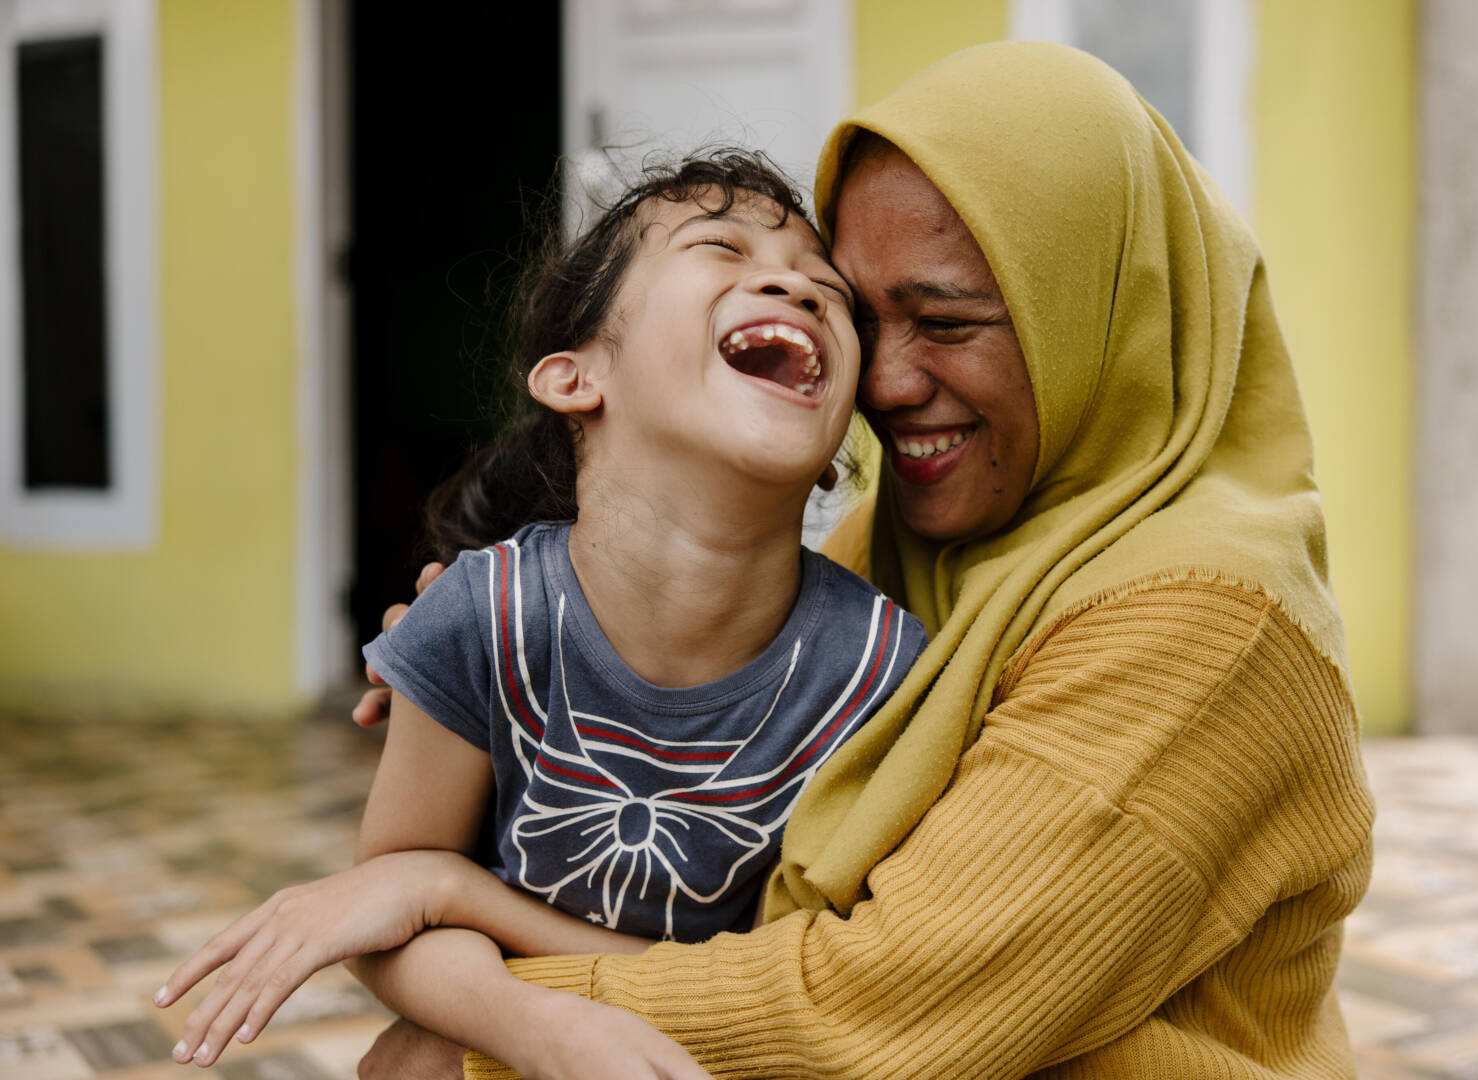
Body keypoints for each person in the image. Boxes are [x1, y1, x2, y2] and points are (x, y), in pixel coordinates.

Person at [357, 41, 1375, 1079]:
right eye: (865, 313)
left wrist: (474, 1013)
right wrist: (484, 641)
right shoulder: (944, 537)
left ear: (1098, 321)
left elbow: (876, 1011)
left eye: (944, 322)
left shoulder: (1204, 623)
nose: (882, 386)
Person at [152, 151, 927, 1076]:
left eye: (824, 287)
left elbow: (790, 983)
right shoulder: (481, 617)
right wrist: (535, 1029)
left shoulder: (881, 670)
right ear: (574, 379)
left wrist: (473, 927)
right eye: (720, 247)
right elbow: (377, 916)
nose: (795, 287)